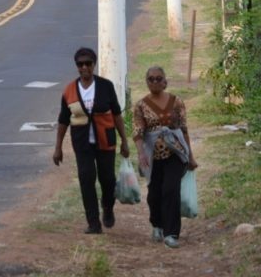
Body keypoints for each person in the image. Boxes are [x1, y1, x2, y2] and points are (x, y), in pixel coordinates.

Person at [53, 47, 130, 234]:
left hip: (105, 141)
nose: (85, 67)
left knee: (108, 180)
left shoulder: (105, 86)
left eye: (88, 63)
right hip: (82, 145)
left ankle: (108, 208)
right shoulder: (69, 90)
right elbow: (63, 120)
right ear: (77, 67)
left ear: (94, 65)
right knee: (86, 180)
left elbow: (117, 115)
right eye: (81, 64)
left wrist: (124, 141)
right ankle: (93, 223)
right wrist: (58, 148)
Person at [132, 66, 197, 248]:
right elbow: (138, 132)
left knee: (170, 190)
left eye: (158, 78)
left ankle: (171, 233)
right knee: (154, 194)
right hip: (152, 156)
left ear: (165, 81)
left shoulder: (176, 102)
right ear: (147, 82)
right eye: (151, 79)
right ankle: (157, 225)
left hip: (174, 153)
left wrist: (190, 156)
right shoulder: (141, 105)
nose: (155, 82)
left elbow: (183, 130)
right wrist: (141, 152)